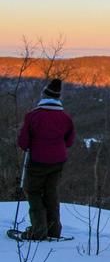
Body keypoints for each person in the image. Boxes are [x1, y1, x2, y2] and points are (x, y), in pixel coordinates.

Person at [17, 78, 75, 240]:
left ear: (44, 96)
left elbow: (23, 143)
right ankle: (54, 229)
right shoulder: (66, 118)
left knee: (33, 192)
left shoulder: (32, 116)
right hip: (58, 161)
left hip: (37, 161)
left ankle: (39, 230)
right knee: (51, 193)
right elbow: (69, 142)